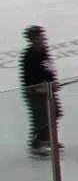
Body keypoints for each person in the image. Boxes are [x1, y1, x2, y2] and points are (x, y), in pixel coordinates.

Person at [21, 26, 61, 158]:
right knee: (40, 119)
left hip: (48, 90)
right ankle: (37, 144)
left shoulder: (44, 51)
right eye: (39, 37)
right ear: (32, 39)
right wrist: (37, 88)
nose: (42, 39)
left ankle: (50, 139)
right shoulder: (28, 56)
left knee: (54, 114)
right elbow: (27, 78)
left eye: (43, 36)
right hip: (35, 93)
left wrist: (53, 82)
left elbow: (49, 68)